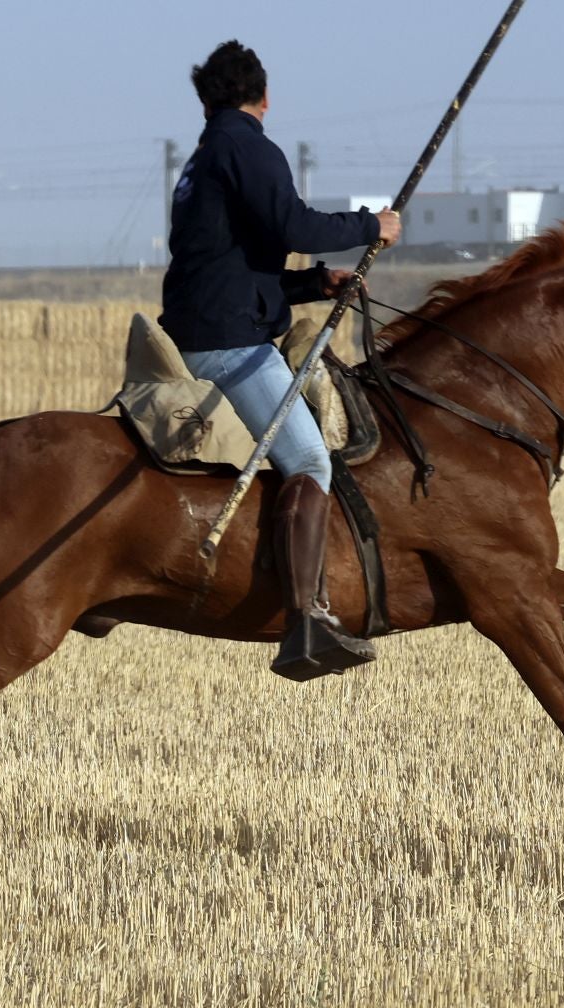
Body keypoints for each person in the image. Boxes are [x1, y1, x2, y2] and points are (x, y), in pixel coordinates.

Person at [161, 40, 402, 681]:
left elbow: (235, 266)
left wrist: (314, 284)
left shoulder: (204, 159)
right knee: (308, 458)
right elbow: (293, 226)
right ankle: (307, 621)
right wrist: (369, 224)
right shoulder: (247, 147)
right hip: (231, 343)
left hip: (213, 324)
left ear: (207, 97)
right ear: (264, 97)